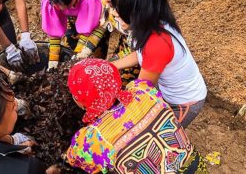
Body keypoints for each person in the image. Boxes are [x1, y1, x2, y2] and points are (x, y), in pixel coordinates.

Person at [65, 58, 207, 174]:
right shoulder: (142, 89)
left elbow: (75, 160)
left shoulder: (91, 138)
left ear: (80, 100)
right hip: (197, 168)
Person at [110, 0, 207, 127]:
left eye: (118, 8)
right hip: (168, 92)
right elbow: (141, 55)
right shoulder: (151, 23)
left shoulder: (157, 43)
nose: (113, 12)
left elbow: (141, 90)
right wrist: (111, 65)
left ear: (137, 11)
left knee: (163, 138)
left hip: (185, 102)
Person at [41, 0, 107, 70]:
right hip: (74, 19)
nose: (63, 9)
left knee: (94, 54)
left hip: (97, 20)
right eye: (59, 6)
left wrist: (81, 53)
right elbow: (54, 29)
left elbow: (92, 27)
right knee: (71, 41)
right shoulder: (52, 0)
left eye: (68, 5)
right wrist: (53, 60)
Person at [93, 0, 141, 87]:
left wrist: (112, 63)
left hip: (138, 44)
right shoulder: (109, 3)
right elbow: (103, 25)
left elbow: (138, 52)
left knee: (124, 80)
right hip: (129, 39)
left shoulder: (142, 16)